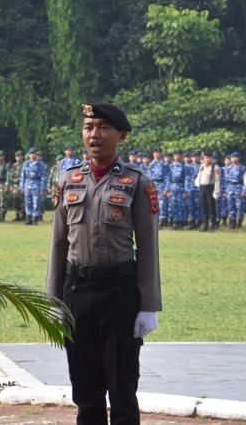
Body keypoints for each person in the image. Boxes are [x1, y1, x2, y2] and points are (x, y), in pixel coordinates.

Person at [46, 102, 161, 425]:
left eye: (103, 128)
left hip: (119, 292)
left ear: (121, 136)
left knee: (122, 383)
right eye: (88, 127)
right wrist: (53, 299)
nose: (94, 135)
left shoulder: (138, 183)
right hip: (77, 290)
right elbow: (57, 243)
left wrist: (148, 306)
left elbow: (149, 247)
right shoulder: (68, 180)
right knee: (84, 385)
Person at [21, 148, 46, 225]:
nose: (32, 155)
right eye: (31, 154)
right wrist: (22, 185)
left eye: (34, 153)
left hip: (36, 183)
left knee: (36, 202)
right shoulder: (26, 163)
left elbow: (44, 176)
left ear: (36, 154)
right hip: (27, 184)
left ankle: (35, 219)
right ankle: (28, 219)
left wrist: (43, 187)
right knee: (28, 202)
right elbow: (23, 175)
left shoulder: (40, 164)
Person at [196, 151, 221, 231]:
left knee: (211, 207)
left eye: (208, 158)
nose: (206, 159)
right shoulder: (202, 166)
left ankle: (212, 224)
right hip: (202, 187)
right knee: (203, 206)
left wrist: (216, 191)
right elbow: (199, 176)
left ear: (211, 158)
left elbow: (217, 181)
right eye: (204, 158)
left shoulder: (215, 167)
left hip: (211, 188)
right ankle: (205, 224)